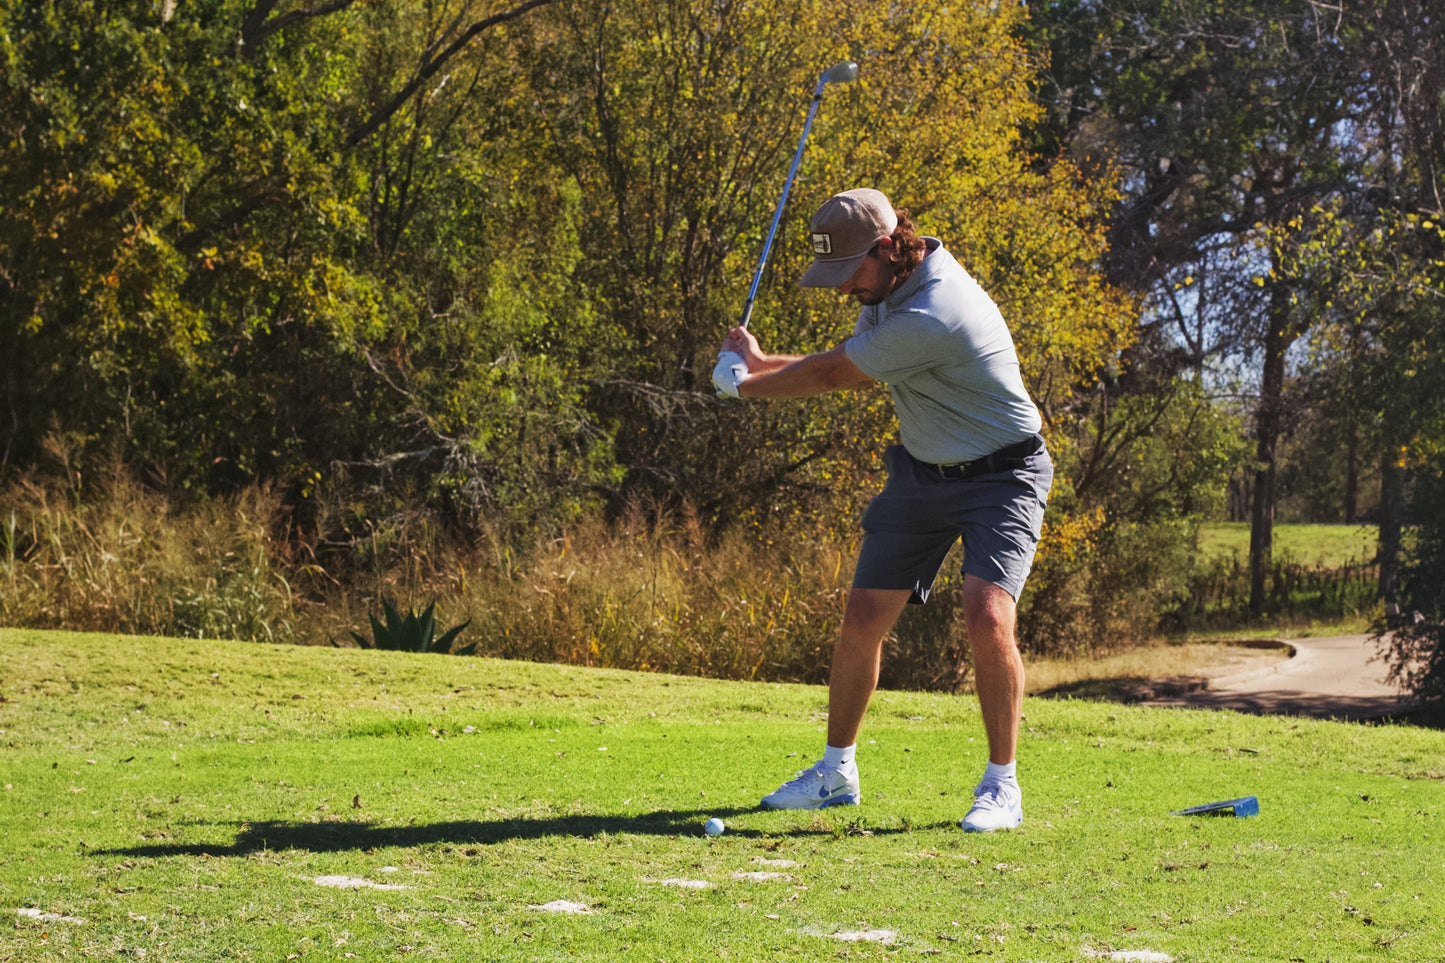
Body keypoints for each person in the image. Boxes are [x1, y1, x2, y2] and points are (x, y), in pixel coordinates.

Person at [712, 187, 1052, 832]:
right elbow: (844, 363)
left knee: (985, 614)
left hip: (1003, 474)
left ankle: (1001, 787)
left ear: (889, 246)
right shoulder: (889, 289)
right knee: (864, 614)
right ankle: (836, 772)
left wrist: (746, 387)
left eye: (849, 272)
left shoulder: (935, 309)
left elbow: (832, 377)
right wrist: (759, 365)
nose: (844, 289)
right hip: (923, 472)